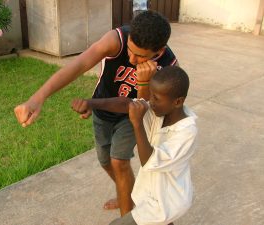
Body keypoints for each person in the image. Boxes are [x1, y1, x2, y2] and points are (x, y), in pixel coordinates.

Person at [14, 10, 178, 216]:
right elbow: (79, 64)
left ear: (159, 51)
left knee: (119, 161)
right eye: (130, 51)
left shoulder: (169, 67)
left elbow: (144, 107)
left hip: (132, 117)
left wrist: (144, 82)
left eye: (141, 56)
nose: (132, 58)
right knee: (106, 161)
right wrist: (38, 98)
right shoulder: (116, 39)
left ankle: (127, 218)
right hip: (103, 109)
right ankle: (125, 193)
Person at [71, 66, 198, 225]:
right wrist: (91, 103)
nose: (151, 101)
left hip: (167, 202)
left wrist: (137, 123)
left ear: (177, 101)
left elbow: (149, 161)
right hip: (151, 193)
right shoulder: (161, 112)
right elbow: (127, 104)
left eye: (156, 98)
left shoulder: (186, 132)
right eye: (151, 95)